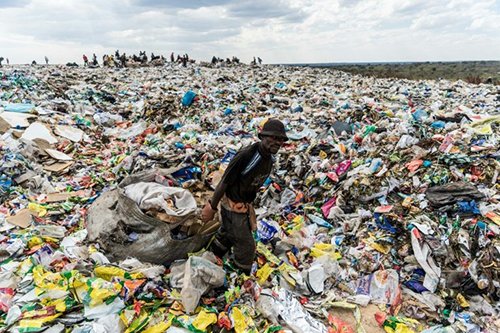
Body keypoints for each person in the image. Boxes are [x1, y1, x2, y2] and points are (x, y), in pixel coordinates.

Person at [201, 119, 288, 274]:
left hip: (244, 205)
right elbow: (224, 182)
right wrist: (212, 207)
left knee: (227, 233)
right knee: (247, 247)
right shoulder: (247, 155)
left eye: (280, 139)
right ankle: (239, 277)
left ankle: (212, 255)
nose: (277, 142)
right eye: (273, 138)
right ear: (263, 136)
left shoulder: (268, 159)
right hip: (233, 205)